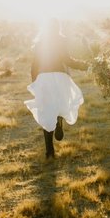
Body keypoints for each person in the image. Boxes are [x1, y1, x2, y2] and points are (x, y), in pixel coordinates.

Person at [24, 18, 87, 158]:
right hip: (59, 77)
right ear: (58, 27)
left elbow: (34, 64)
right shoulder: (61, 41)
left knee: (46, 111)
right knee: (59, 103)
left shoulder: (40, 43)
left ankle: (49, 152)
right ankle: (59, 121)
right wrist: (84, 65)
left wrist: (35, 82)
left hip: (44, 79)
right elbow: (67, 60)